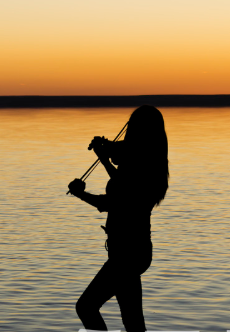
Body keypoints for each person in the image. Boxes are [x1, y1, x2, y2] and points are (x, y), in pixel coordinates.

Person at [68, 105, 169, 332]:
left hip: (127, 254)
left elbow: (110, 203)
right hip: (133, 251)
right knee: (133, 323)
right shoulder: (149, 163)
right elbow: (122, 187)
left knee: (86, 307)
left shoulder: (141, 163)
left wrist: (80, 194)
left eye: (132, 129)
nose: (127, 136)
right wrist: (104, 158)